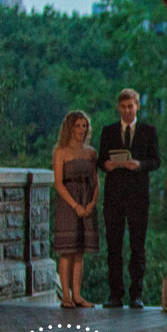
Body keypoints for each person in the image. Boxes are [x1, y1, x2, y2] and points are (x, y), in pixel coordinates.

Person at [98, 88, 160, 309]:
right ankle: (115, 294)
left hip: (137, 197)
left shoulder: (148, 131)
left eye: (130, 106)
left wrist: (139, 165)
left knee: (137, 246)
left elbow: (156, 160)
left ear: (137, 106)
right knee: (114, 246)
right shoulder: (108, 131)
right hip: (114, 197)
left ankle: (136, 294)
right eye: (123, 107)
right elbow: (100, 160)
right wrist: (107, 165)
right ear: (118, 107)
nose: (127, 111)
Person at [53, 111, 100, 308]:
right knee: (67, 251)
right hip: (68, 203)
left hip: (86, 199)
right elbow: (58, 183)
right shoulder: (61, 151)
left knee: (80, 251)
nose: (81, 130)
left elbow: (96, 183)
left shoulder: (90, 152)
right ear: (70, 128)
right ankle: (66, 295)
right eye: (78, 126)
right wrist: (75, 205)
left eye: (84, 126)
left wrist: (90, 204)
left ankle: (78, 295)